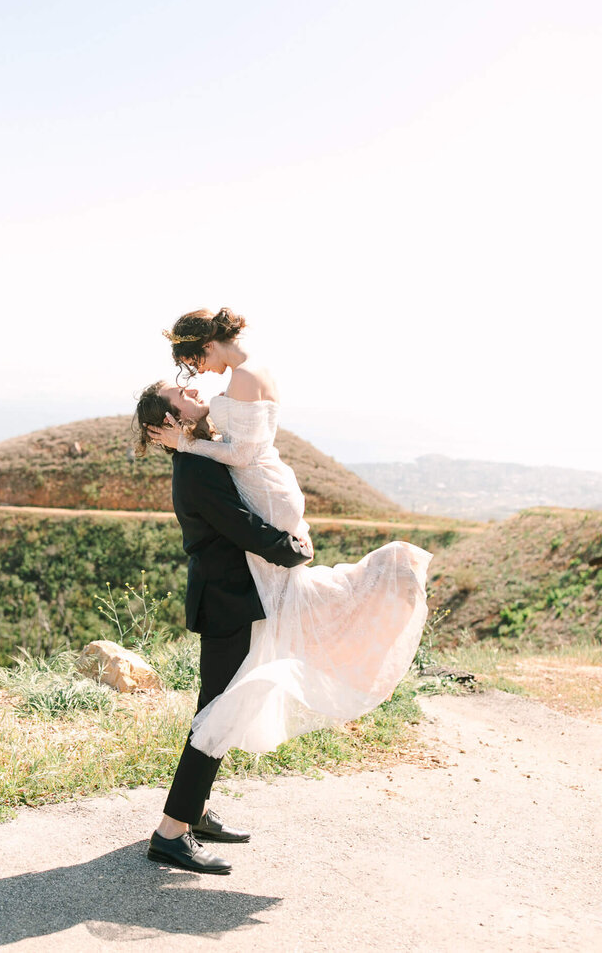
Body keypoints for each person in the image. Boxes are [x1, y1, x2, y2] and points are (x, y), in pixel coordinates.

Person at [147, 307, 432, 761]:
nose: (198, 373)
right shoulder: (252, 371)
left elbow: (240, 453)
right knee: (287, 597)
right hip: (272, 482)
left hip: (262, 480)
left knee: (282, 596)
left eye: (194, 362)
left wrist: (185, 443)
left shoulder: (242, 377)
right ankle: (368, 588)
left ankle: (381, 578)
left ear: (206, 345)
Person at [134, 380, 312, 875]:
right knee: (214, 715)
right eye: (181, 394)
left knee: (216, 711)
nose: (194, 390)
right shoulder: (194, 467)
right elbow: (238, 524)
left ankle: (196, 813)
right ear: (172, 422)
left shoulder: (200, 454)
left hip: (232, 596)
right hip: (226, 601)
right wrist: (291, 548)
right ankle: (171, 833)